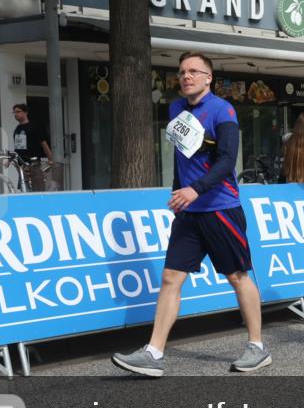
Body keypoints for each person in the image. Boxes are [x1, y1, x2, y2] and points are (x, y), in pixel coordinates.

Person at [113, 52, 269, 375]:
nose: (186, 76)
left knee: (237, 277)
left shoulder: (222, 111)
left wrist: (195, 189)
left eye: (194, 71)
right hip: (188, 211)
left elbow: (227, 161)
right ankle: (154, 353)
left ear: (208, 78)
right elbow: (181, 156)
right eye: (182, 71)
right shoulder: (175, 109)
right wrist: (178, 191)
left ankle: (257, 346)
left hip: (221, 208)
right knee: (171, 278)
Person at [11, 103, 54, 191]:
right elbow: (18, 147)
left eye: (18, 112)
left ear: (25, 112)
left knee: (36, 185)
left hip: (33, 162)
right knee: (24, 185)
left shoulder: (34, 127)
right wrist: (10, 160)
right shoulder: (17, 129)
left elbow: (43, 143)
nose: (16, 114)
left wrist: (50, 159)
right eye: (14, 112)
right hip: (21, 163)